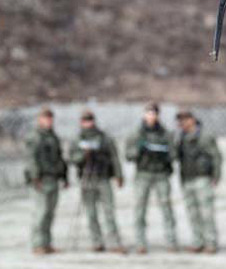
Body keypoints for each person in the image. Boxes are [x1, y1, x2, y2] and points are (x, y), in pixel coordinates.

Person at [69, 110, 126, 254]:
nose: (88, 123)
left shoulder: (104, 138)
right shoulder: (77, 139)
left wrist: (118, 175)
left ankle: (114, 241)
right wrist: (84, 154)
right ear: (81, 122)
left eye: (90, 120)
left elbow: (114, 157)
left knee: (109, 211)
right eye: (85, 120)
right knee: (91, 213)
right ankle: (97, 241)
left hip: (103, 177)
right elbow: (72, 159)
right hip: (87, 178)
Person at [125, 102, 178, 254]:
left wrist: (163, 154)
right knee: (140, 209)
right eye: (148, 113)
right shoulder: (137, 133)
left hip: (161, 174)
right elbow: (128, 155)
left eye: (154, 113)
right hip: (143, 174)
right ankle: (140, 242)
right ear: (144, 114)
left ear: (157, 115)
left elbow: (173, 154)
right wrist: (139, 150)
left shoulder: (165, 134)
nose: (151, 116)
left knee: (166, 208)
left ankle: (171, 241)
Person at [176, 110, 222, 254]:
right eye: (179, 122)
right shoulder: (181, 138)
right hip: (187, 179)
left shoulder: (205, 136)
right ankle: (198, 241)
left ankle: (211, 242)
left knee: (207, 213)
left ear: (192, 120)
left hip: (202, 178)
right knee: (192, 213)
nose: (181, 124)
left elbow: (216, 156)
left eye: (184, 121)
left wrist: (216, 176)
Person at [24, 107, 68, 255]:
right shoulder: (35, 136)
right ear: (39, 119)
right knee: (40, 213)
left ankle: (47, 243)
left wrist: (64, 176)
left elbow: (59, 158)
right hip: (41, 180)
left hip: (53, 178)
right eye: (46, 118)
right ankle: (37, 244)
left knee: (50, 213)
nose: (49, 121)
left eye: (50, 118)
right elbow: (31, 159)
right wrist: (35, 177)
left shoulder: (52, 136)